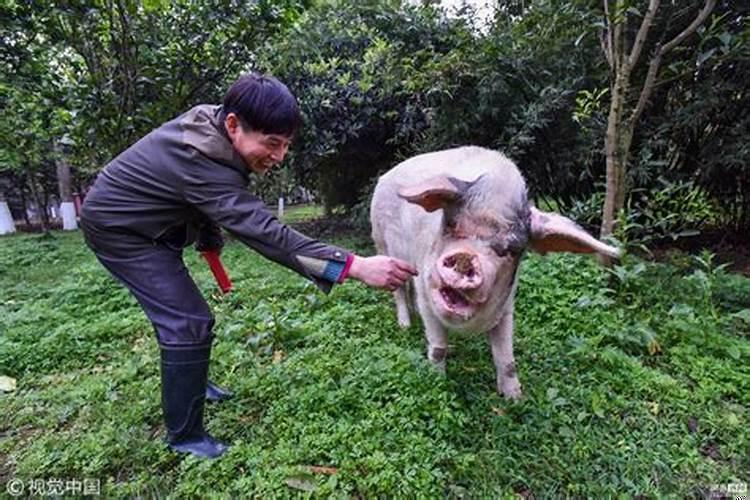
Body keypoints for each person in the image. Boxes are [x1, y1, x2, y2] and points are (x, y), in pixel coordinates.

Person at [80, 73, 417, 459]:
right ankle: (185, 437)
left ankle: (192, 382)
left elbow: (196, 195)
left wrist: (208, 238)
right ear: (233, 125)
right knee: (187, 321)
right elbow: (265, 233)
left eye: (286, 145)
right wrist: (353, 266)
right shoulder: (200, 155)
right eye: (272, 143)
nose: (278, 157)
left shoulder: (212, 133)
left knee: (188, 317)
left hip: (152, 222)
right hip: (121, 230)